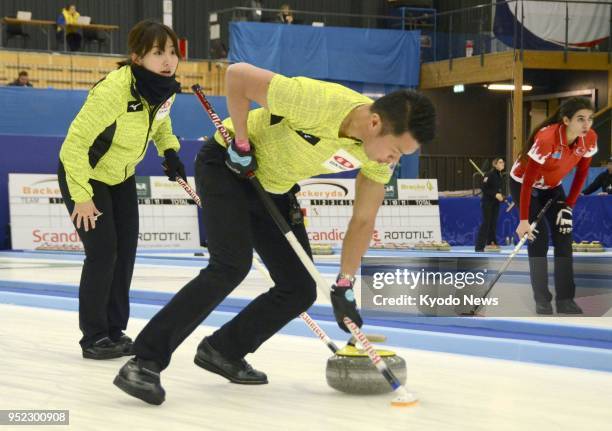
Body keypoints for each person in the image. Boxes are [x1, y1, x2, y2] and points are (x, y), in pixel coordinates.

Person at [114, 62, 436, 405]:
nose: (393, 161)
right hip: (227, 164)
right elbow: (237, 76)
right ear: (375, 123)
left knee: (299, 288)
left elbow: (363, 219)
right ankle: (144, 361)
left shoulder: (376, 158)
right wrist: (240, 140)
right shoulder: (315, 101)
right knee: (230, 266)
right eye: (396, 151)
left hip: (273, 186)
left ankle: (223, 350)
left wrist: (345, 283)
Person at [57, 20, 184, 360]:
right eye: (158, 53)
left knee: (125, 255)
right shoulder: (114, 90)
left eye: (172, 52)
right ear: (136, 57)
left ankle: (115, 330)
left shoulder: (162, 89)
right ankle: (94, 337)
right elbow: (73, 146)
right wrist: (81, 196)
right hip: (87, 174)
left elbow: (161, 124)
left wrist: (169, 151)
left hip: (121, 177)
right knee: (103, 253)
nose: (168, 60)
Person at [509, 97, 597, 315]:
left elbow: (582, 173)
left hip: (553, 187)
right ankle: (542, 300)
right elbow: (528, 180)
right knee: (538, 240)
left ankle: (566, 300)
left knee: (564, 236)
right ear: (566, 120)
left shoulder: (589, 138)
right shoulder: (547, 138)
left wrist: (569, 206)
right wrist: (523, 221)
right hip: (524, 185)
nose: (586, 125)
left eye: (590, 119)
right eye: (580, 119)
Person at [475, 157, 505, 252]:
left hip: (495, 203)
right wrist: (495, 194)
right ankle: (479, 247)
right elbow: (484, 188)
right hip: (487, 203)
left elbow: (499, 190)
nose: (502, 164)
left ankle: (491, 243)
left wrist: (502, 196)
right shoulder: (489, 174)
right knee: (486, 223)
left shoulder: (500, 175)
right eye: (500, 162)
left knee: (493, 223)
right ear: (495, 164)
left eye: (503, 162)